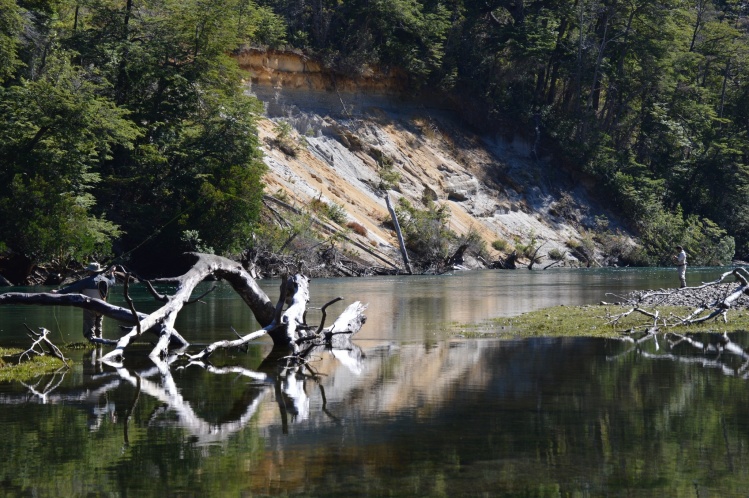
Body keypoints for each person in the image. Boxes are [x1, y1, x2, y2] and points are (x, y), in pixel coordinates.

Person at [54, 263, 116, 340]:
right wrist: (112, 273)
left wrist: (58, 292)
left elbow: (72, 288)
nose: (88, 272)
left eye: (88, 270)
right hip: (102, 307)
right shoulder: (106, 280)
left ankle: (92, 342)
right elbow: (113, 282)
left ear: (91, 271)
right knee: (98, 327)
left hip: (89, 307)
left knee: (89, 328)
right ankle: (99, 344)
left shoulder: (86, 281)